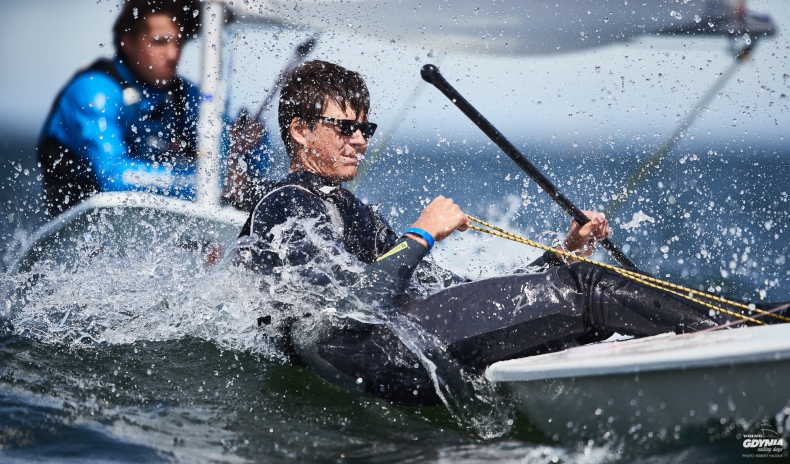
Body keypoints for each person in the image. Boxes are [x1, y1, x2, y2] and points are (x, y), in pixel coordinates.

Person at [238, 60, 782, 407]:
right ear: (301, 130)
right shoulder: (286, 204)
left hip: (394, 350)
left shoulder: (351, 212)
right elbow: (346, 311)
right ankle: (748, 331)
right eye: (344, 126)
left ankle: (721, 334)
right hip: (371, 356)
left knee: (575, 285)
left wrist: (558, 256)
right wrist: (420, 236)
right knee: (588, 289)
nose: (359, 139)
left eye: (366, 127)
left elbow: (446, 292)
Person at [38, 0, 268, 218]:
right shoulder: (94, 93)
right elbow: (115, 177)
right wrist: (211, 183)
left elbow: (237, 157)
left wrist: (244, 150)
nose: (173, 54)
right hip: (84, 234)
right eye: (159, 42)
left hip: (157, 229)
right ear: (127, 42)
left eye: (178, 42)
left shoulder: (184, 96)